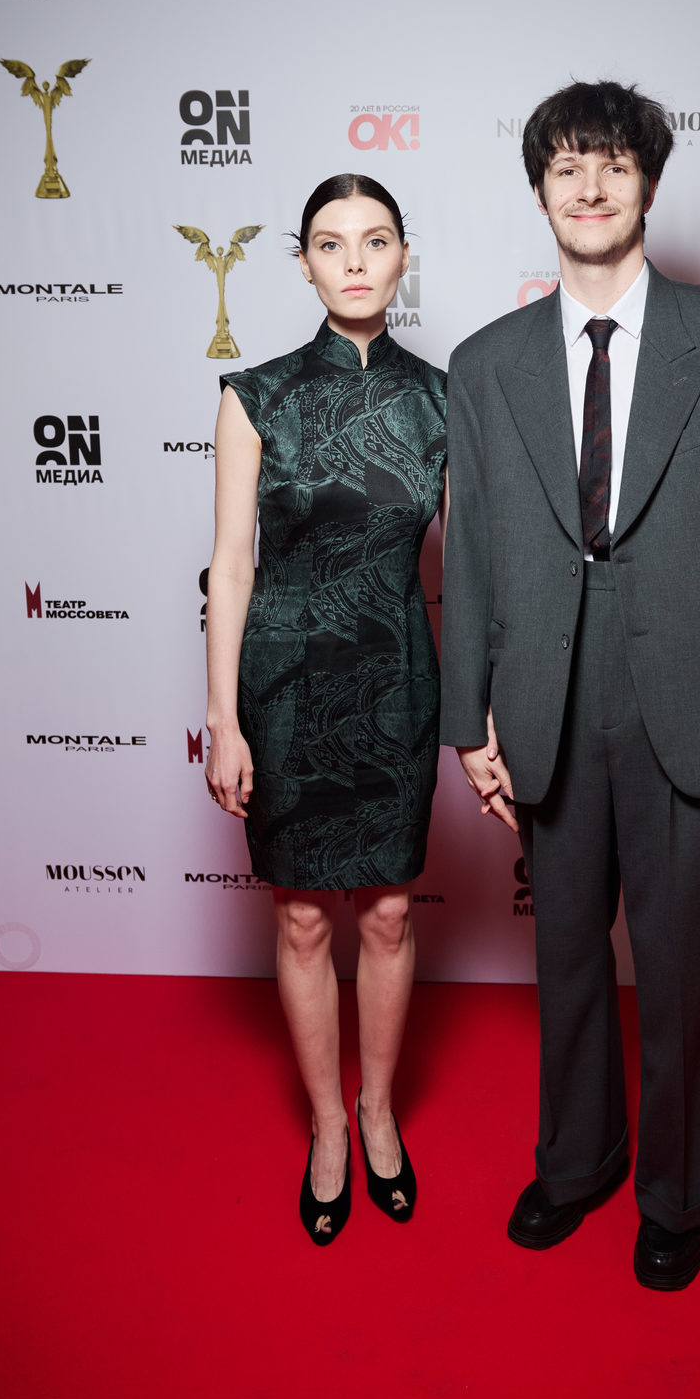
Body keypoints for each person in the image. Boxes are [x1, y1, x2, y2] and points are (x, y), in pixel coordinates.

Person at [440, 81, 700, 1289]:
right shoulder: (484, 363)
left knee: (684, 958)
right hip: (541, 695)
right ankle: (577, 1159)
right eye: (565, 167)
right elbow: (472, 549)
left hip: (693, 695)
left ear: (646, 182)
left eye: (610, 164)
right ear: (538, 191)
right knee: (563, 955)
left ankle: (679, 1189)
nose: (588, 186)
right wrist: (466, 720)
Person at [205, 173, 446, 1245]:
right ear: (302, 263)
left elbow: (473, 570)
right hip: (285, 686)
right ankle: (326, 1127)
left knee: (388, 913)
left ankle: (378, 1108)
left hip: (396, 680)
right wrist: (224, 719)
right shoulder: (254, 394)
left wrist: (481, 713)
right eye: (331, 243)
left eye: (375, 240)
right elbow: (231, 566)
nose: (354, 260)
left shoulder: (443, 400)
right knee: (302, 917)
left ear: (402, 257)